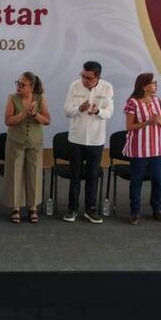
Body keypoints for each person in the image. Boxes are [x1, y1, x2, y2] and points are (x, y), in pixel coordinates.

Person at [63, 60, 113, 223]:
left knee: (92, 175)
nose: (84, 80)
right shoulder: (74, 86)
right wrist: (79, 109)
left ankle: (90, 209)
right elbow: (67, 110)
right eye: (83, 75)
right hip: (76, 138)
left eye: (88, 77)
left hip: (96, 139)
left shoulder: (107, 87)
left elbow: (109, 111)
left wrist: (98, 110)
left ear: (97, 77)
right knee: (75, 175)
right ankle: (72, 208)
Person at [3, 71, 50, 223]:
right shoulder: (12, 98)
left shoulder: (40, 98)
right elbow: (8, 121)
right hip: (16, 141)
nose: (19, 86)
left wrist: (35, 114)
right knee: (14, 172)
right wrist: (24, 113)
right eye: (17, 83)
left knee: (34, 173)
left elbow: (47, 120)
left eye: (22, 84)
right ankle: (15, 207)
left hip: (35, 142)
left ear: (32, 86)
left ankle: (33, 207)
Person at [122, 73, 161, 224]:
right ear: (144, 86)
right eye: (153, 83)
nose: (156, 85)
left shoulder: (158, 101)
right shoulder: (132, 103)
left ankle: (157, 209)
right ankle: (135, 211)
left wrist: (158, 122)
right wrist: (147, 122)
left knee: (158, 179)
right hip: (138, 148)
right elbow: (129, 126)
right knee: (137, 179)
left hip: (156, 148)